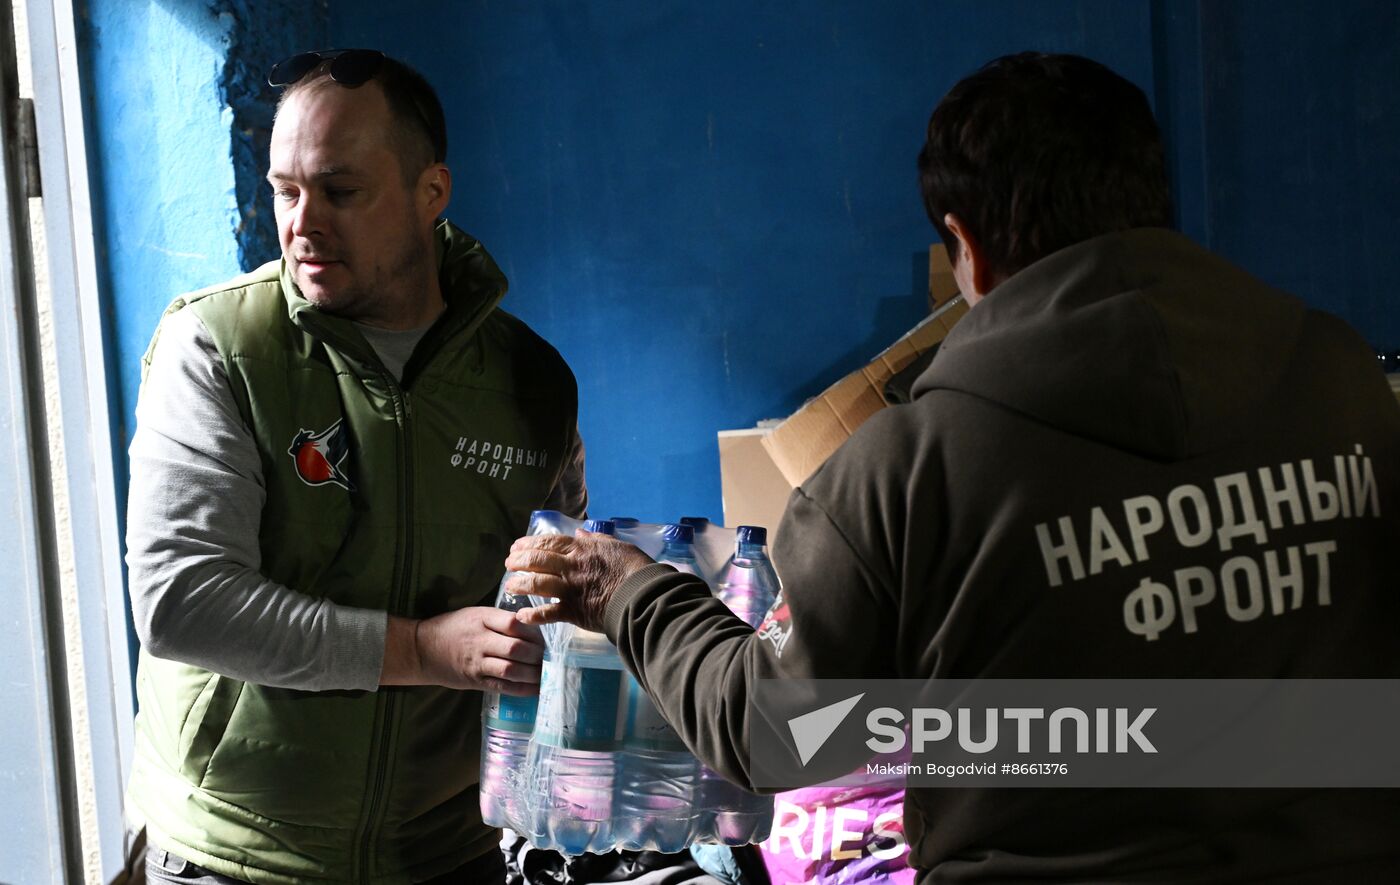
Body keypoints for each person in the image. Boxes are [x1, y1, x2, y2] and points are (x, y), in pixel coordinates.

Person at [505, 52, 1400, 882]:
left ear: (964, 245)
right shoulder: (1341, 378)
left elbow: (778, 730)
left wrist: (626, 588)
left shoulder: (905, 470)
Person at [125, 49, 587, 884]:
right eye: (286, 191)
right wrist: (422, 649)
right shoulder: (220, 348)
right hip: (234, 850)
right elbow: (181, 602)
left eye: (339, 191)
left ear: (431, 191)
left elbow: (554, 591)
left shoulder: (531, 382)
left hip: (448, 852)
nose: (303, 223)